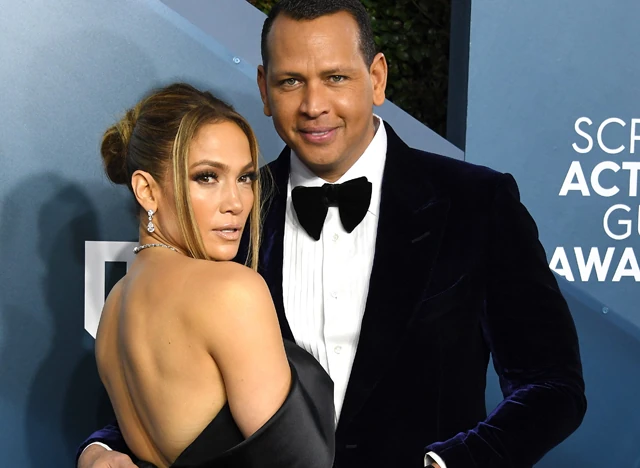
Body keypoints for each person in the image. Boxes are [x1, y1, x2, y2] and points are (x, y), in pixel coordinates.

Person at [78, 1, 587, 467]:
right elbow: (183, 378)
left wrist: (451, 464)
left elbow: (552, 385)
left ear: (377, 78)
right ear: (264, 89)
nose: (313, 105)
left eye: (336, 77)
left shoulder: (477, 202)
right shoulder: (231, 216)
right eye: (291, 82)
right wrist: (104, 449)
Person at [83, 82, 335, 468]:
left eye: (245, 178)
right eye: (207, 177)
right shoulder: (231, 291)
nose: (236, 203)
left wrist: (93, 452)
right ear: (146, 190)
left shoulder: (112, 312)